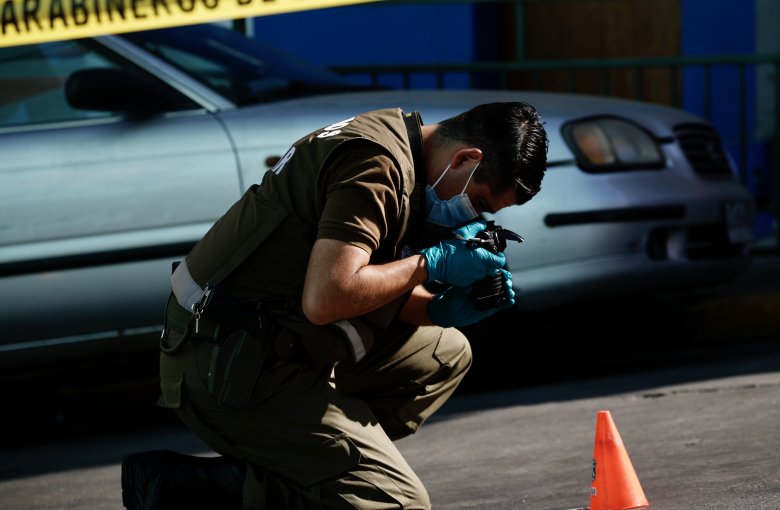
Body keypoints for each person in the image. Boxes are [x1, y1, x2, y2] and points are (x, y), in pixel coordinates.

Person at [121, 102, 548, 510]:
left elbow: (366, 287)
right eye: (480, 202)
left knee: (445, 353)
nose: (471, 216)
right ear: (464, 160)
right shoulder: (376, 166)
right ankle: (208, 490)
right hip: (225, 363)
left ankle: (303, 469)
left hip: (277, 340)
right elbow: (328, 297)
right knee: (396, 502)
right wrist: (429, 263)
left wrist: (437, 309)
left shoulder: (406, 147)